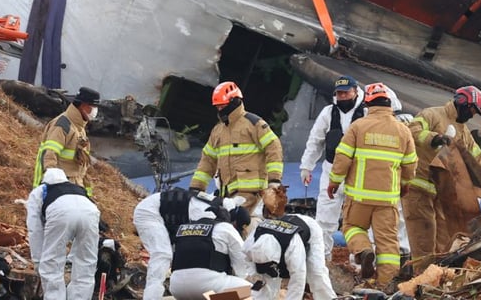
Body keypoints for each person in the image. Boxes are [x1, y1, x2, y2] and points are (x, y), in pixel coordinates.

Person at [327, 82, 417, 286]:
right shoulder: (402, 130)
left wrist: (334, 181)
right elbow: (411, 163)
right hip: (387, 199)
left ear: (367, 103)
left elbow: (342, 157)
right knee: (388, 244)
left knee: (351, 226)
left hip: (359, 198)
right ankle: (385, 285)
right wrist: (405, 184)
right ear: (389, 104)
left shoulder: (358, 126)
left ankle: (363, 250)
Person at [404, 85, 481, 259]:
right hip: (419, 187)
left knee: (446, 240)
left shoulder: (464, 133)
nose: (472, 115)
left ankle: (439, 275)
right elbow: (412, 131)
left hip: (443, 192)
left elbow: (479, 159)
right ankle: (421, 277)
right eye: (472, 110)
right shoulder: (432, 115)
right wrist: (433, 138)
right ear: (462, 101)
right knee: (422, 236)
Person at [132, 187, 244, 300]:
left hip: (180, 286)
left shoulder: (213, 206)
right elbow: (198, 240)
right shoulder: (206, 211)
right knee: (162, 254)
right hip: (149, 213)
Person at [190, 82, 283, 216]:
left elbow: (274, 148)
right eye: (218, 106)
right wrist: (197, 187)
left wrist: (274, 180)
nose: (220, 109)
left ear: (234, 101)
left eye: (223, 105)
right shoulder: (218, 130)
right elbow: (207, 160)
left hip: (251, 191)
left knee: (238, 223)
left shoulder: (254, 124)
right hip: (226, 192)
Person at [298, 74, 365, 258]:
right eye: (339, 93)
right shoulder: (328, 112)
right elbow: (315, 140)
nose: (342, 96)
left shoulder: (366, 112)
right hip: (331, 169)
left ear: (355, 91)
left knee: (356, 219)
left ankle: (358, 259)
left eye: (346, 93)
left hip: (357, 171)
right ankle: (322, 257)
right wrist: (307, 166)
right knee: (325, 217)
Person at [26, 168, 101, 300]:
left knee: (52, 263)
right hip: (91, 213)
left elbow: (35, 229)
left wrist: (38, 260)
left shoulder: (39, 191)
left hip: (59, 213)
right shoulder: (78, 189)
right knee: (86, 262)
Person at [168, 206, 253, 300]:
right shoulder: (224, 227)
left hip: (177, 288)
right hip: (209, 287)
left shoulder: (182, 228)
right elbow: (241, 266)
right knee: (252, 291)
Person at [244, 213, 336, 300]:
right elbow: (246, 260)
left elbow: (298, 282)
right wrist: (257, 276)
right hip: (285, 223)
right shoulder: (251, 242)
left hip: (309, 228)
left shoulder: (292, 248)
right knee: (267, 279)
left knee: (316, 273)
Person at [33, 86, 99, 193]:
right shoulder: (62, 125)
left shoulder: (79, 128)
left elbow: (80, 167)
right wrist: (54, 186)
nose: (95, 111)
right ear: (82, 106)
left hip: (73, 186)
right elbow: (49, 155)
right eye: (92, 107)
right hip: (60, 187)